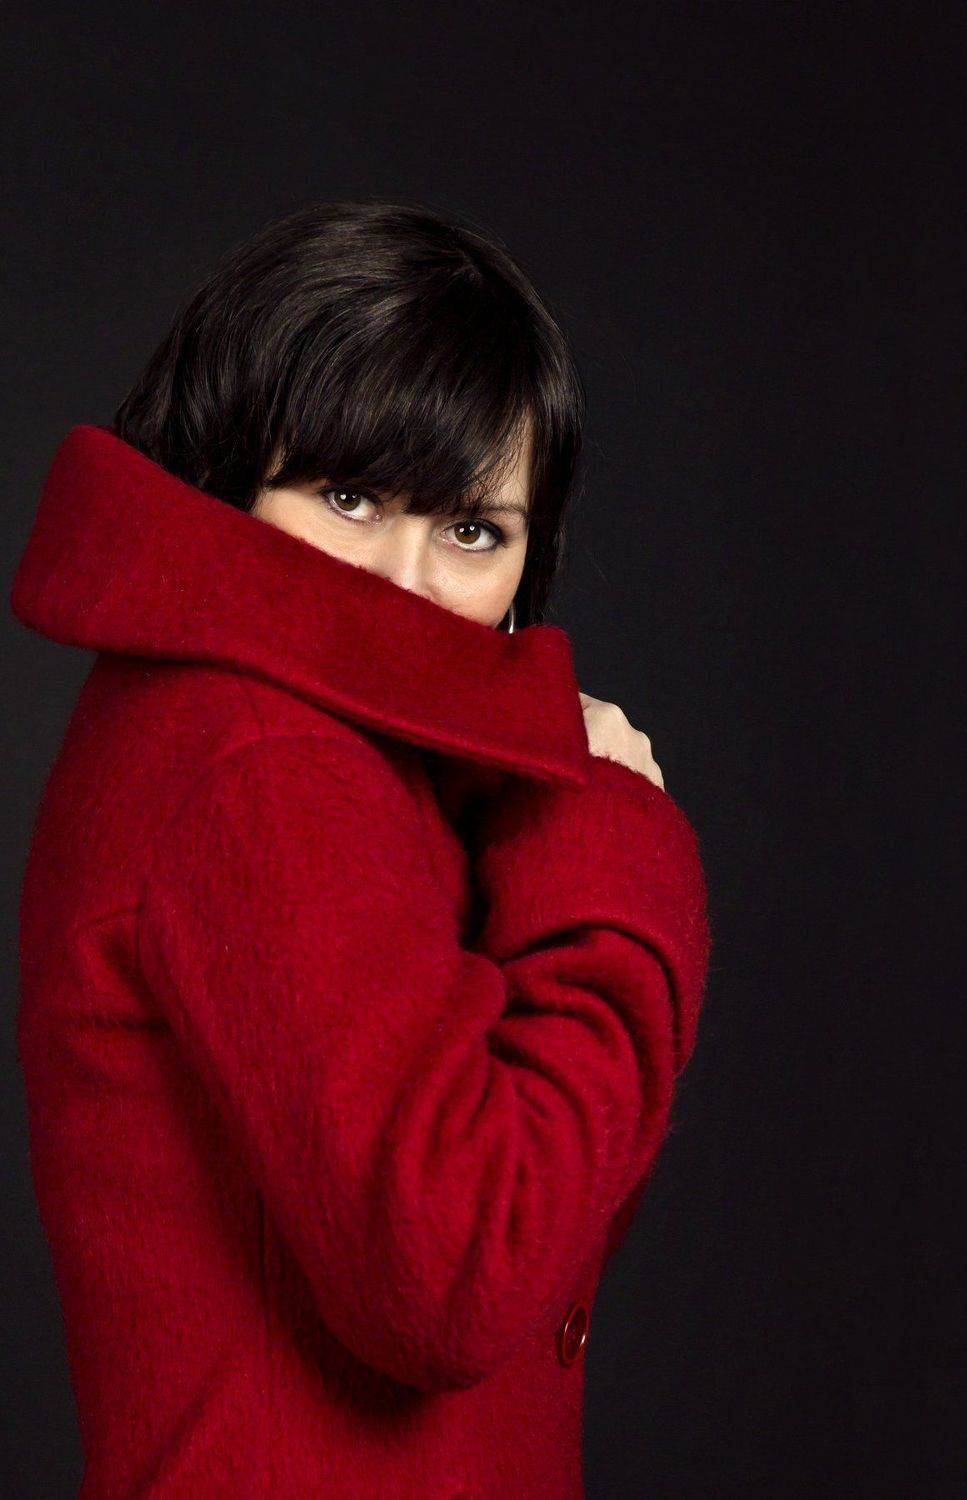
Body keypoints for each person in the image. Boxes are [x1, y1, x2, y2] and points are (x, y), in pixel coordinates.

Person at [10, 200, 711, 1498]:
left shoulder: (308, 754)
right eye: (347, 495)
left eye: (471, 531)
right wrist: (606, 830)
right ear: (228, 470)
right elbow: (465, 1271)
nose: (401, 584)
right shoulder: (263, 761)